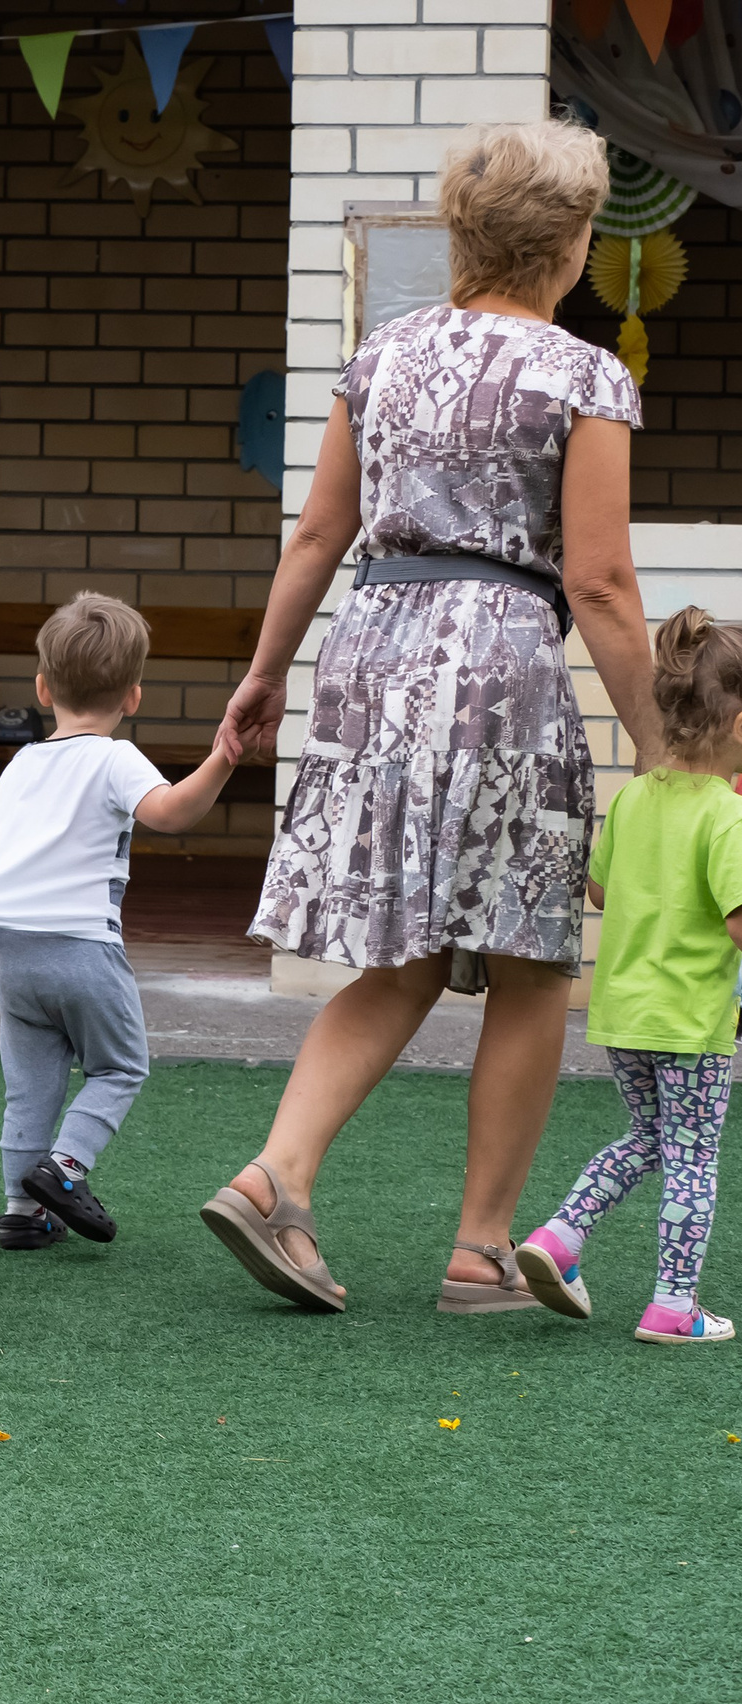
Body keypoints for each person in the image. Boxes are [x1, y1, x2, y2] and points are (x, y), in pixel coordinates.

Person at [202, 118, 662, 1314]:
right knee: (528, 962)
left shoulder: (383, 353)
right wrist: (663, 752)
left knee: (402, 948)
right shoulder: (584, 375)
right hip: (499, 663)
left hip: (369, 654)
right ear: (572, 245)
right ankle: (477, 1251)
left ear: (463, 233)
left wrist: (264, 672)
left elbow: (317, 533)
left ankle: (274, 1176)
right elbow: (600, 583)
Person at [0, 593, 239, 1250]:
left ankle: (21, 1213)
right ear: (133, 697)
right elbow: (170, 812)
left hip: (13, 959)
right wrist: (224, 757)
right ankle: (65, 1168)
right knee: (119, 1069)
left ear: (42, 687)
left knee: (30, 1089)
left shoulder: (20, 765)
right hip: (85, 951)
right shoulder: (115, 757)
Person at [516, 610, 742, 1344]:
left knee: (649, 1136)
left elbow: (602, 891)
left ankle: (559, 1236)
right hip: (691, 1021)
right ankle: (674, 1304)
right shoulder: (728, 818)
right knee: (693, 1158)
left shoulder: (636, 797)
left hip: (624, 1016)